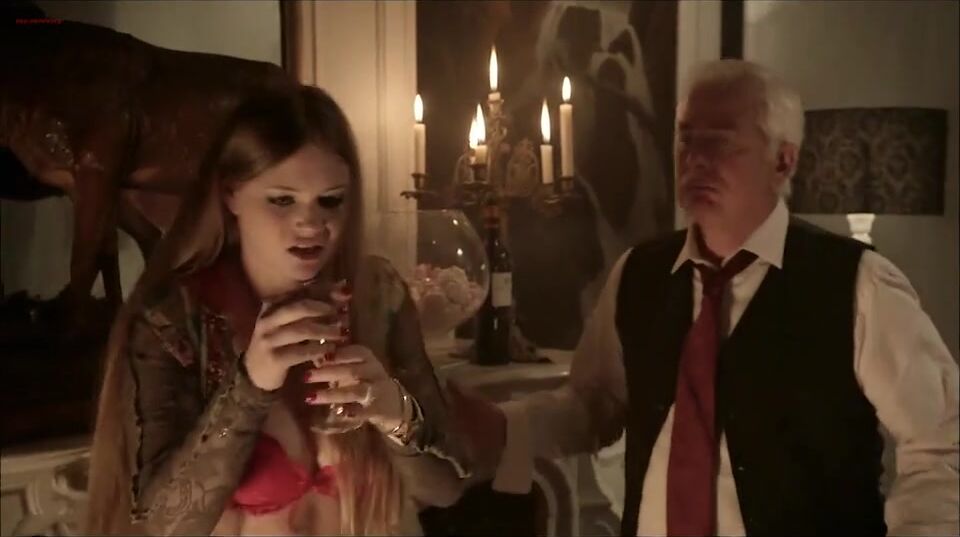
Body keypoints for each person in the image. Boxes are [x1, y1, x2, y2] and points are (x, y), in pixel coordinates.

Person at [449, 59, 959, 536]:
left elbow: (943, 444)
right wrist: (506, 427)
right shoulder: (640, 274)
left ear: (783, 161)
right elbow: (592, 405)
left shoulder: (857, 285)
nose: (694, 159)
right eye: (686, 139)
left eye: (718, 143)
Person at [85, 85, 470, 536]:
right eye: (283, 200)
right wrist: (250, 386)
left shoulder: (376, 296)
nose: (310, 223)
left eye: (330, 200)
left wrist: (394, 412)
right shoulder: (174, 320)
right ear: (231, 194)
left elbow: (447, 488)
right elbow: (161, 525)